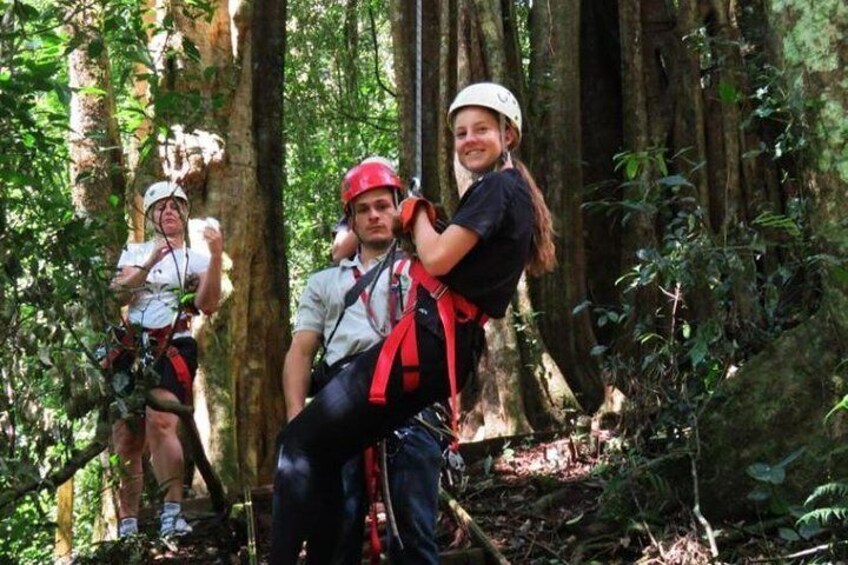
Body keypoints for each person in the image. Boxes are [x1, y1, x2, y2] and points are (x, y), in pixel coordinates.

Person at [271, 82, 556, 563]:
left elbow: (439, 258)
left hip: (424, 345)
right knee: (316, 452)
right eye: (461, 132)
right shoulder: (505, 192)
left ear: (509, 134)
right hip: (434, 349)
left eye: (481, 129)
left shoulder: (498, 187)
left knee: (298, 445)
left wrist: (417, 213)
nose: (469, 140)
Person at [283, 158, 445, 564]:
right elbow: (301, 351)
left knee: (415, 529)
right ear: (350, 221)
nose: (374, 216)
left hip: (409, 395)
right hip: (344, 394)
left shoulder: (424, 270)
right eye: (363, 209)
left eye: (383, 206)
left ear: (399, 210)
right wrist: (297, 422)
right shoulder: (325, 283)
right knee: (339, 531)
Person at [108, 181, 223, 539]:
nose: (169, 211)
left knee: (162, 422)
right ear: (151, 215)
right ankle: (127, 523)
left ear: (184, 214)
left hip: (174, 343)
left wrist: (217, 255)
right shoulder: (133, 250)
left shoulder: (197, 257)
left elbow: (207, 303)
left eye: (176, 206)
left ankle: (172, 512)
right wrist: (152, 259)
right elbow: (120, 293)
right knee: (127, 435)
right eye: (161, 206)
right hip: (132, 345)